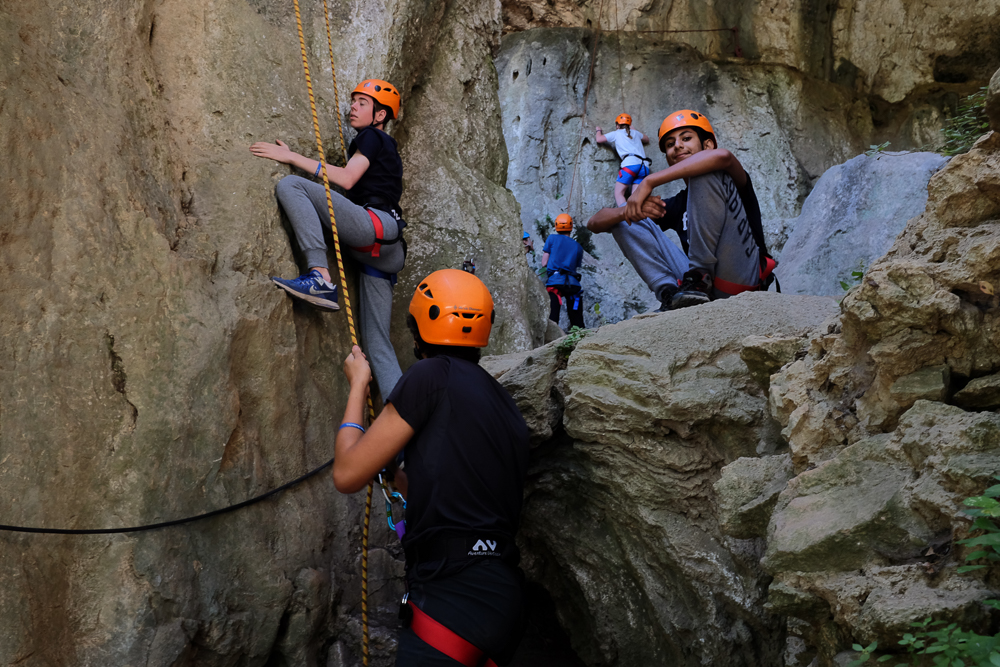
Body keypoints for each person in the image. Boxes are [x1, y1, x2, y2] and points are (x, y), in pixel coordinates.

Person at [333, 269, 530, 667]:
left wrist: (358, 385)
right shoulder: (503, 403)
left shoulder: (430, 376)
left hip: (454, 594)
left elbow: (347, 473)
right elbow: (452, 492)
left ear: (420, 325)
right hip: (502, 595)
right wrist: (394, 475)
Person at [250, 78, 406, 393]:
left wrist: (293, 158)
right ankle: (405, 425)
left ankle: (319, 277)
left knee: (290, 185)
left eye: (363, 103)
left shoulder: (373, 137)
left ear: (379, 116)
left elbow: (347, 179)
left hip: (374, 226)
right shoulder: (382, 147)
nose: (354, 106)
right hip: (387, 250)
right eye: (354, 101)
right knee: (377, 345)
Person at [624, 109, 774, 309]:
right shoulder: (678, 203)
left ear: (708, 144)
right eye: (670, 144)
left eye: (686, 138)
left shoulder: (727, 176)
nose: (677, 146)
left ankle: (699, 275)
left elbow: (724, 157)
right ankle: (670, 293)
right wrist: (631, 210)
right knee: (626, 222)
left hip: (741, 278)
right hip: (699, 291)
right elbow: (597, 221)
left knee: (706, 167)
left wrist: (648, 181)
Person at [586, 198, 690, 312]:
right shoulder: (682, 201)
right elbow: (593, 223)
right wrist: (628, 210)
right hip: (692, 281)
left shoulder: (710, 191)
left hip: (709, 272)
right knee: (627, 215)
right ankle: (669, 293)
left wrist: (649, 183)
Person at [595, 113, 652, 206]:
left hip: (630, 165)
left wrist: (598, 130)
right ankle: (635, 216)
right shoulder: (635, 133)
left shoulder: (616, 133)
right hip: (644, 166)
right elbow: (646, 139)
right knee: (635, 196)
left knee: (619, 193)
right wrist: (634, 129)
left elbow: (599, 139)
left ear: (617, 125)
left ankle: (624, 215)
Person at [542, 214, 585, 329]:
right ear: (571, 227)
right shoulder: (578, 247)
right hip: (573, 284)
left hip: (555, 283)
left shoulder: (551, 239)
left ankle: (551, 341)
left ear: (556, 225)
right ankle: (580, 338)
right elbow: (574, 267)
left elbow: (544, 263)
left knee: (553, 319)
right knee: (577, 320)